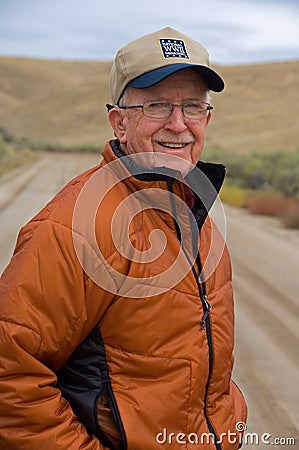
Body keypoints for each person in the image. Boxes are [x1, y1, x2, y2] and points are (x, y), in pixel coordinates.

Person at [0, 26, 247, 449]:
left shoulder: (191, 208)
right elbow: (11, 377)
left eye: (192, 106)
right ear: (119, 122)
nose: (178, 124)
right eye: (156, 105)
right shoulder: (74, 226)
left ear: (207, 118)